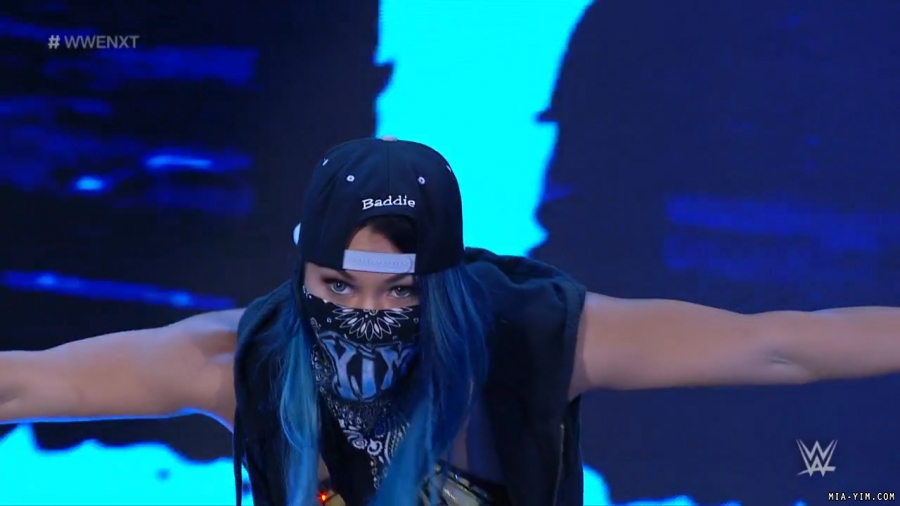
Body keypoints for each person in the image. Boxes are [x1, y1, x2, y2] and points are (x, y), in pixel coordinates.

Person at [1, 137, 899, 506]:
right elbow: (25, 383)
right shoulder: (242, 359)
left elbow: (779, 345)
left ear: (445, 280)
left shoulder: (532, 337)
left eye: (399, 293)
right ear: (300, 263)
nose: (365, 315)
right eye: (338, 285)